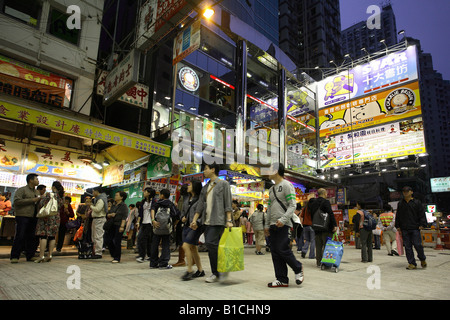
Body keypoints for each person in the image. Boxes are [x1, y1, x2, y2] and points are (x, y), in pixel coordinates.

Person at [191, 163, 233, 283]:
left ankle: (216, 272)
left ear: (213, 170)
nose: (204, 171)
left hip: (218, 220)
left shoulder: (223, 184)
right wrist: (194, 219)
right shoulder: (205, 187)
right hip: (207, 221)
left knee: (210, 243)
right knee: (214, 246)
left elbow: (228, 203)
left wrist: (229, 220)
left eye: (205, 169)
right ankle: (220, 270)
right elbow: (200, 205)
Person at [264, 163, 304, 288]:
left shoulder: (287, 185)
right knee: (275, 252)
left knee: (283, 249)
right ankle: (281, 279)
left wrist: (283, 219)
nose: (268, 171)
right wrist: (266, 225)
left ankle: (298, 268)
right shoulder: (271, 189)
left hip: (285, 224)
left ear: (276, 171)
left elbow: (292, 205)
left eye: (270, 169)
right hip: (272, 225)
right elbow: (269, 208)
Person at [10, 174, 41, 263]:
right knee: (20, 236)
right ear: (31, 180)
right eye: (36, 179)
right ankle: (15, 256)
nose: (38, 181)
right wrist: (32, 200)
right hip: (23, 216)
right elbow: (16, 202)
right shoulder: (22, 190)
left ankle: (30, 255)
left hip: (34, 217)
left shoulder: (37, 192)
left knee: (32, 237)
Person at [395, 186, 427, 270]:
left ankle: (422, 258)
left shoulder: (417, 202)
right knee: (408, 247)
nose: (405, 193)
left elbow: (421, 214)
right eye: (404, 191)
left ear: (411, 192)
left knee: (417, 245)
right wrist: (397, 226)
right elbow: (398, 215)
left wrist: (422, 224)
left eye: (407, 191)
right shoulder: (400, 203)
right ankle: (412, 263)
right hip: (404, 228)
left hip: (415, 228)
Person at [180, 180, 205, 280]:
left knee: (185, 245)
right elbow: (183, 211)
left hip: (196, 226)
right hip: (186, 225)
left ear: (195, 186)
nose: (188, 186)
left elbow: (202, 213)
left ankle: (189, 270)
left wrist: (197, 222)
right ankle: (200, 270)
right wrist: (182, 217)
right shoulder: (186, 198)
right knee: (193, 248)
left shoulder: (200, 199)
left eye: (190, 184)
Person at [35, 181, 65, 263]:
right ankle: (50, 255)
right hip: (56, 217)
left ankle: (41, 255)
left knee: (43, 235)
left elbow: (42, 204)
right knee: (52, 236)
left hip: (47, 217)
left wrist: (41, 198)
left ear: (54, 187)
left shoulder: (49, 195)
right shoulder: (62, 197)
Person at [150, 188, 179, 269]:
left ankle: (153, 263)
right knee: (165, 245)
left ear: (162, 195)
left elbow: (152, 210)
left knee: (154, 244)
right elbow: (177, 215)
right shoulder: (171, 204)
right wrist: (173, 225)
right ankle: (163, 263)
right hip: (167, 228)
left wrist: (153, 221)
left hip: (157, 227)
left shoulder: (157, 203)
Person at [307, 188, 337, 268]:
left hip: (316, 227)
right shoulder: (325, 202)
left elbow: (311, 214)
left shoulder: (313, 203)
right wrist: (334, 225)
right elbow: (330, 214)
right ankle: (326, 262)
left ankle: (318, 262)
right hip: (326, 227)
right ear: (324, 193)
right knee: (327, 245)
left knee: (318, 245)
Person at [104, 191, 129, 263]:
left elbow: (124, 217)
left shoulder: (123, 206)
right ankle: (114, 254)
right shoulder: (114, 205)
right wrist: (110, 215)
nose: (115, 196)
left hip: (119, 224)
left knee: (117, 241)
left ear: (121, 197)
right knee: (108, 239)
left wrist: (122, 226)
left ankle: (117, 257)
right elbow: (108, 214)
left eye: (117, 195)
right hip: (112, 224)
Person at [136, 187, 156, 263]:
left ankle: (143, 256)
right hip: (143, 223)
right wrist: (138, 222)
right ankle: (145, 255)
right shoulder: (143, 202)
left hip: (150, 223)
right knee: (141, 238)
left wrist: (154, 220)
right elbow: (140, 213)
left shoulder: (154, 201)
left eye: (145, 191)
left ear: (149, 193)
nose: (144, 193)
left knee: (146, 239)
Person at [90, 186, 108, 259]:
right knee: (94, 236)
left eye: (93, 191)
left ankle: (98, 253)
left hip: (99, 219)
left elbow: (97, 209)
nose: (93, 193)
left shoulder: (100, 200)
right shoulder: (97, 199)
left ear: (97, 191)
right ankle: (95, 251)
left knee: (98, 236)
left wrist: (90, 206)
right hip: (96, 219)